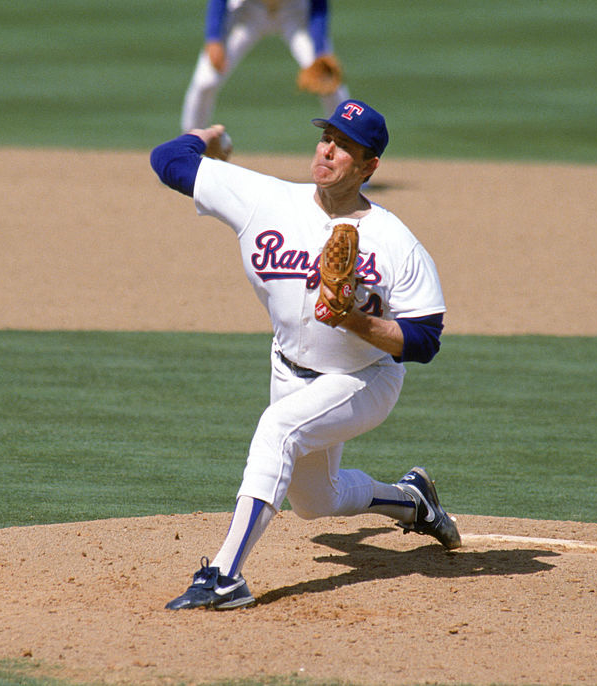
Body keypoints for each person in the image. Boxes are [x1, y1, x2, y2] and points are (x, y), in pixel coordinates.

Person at [150, 99, 461, 611]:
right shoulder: (265, 199)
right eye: (325, 139)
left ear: (369, 166)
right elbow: (169, 161)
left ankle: (225, 576)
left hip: (363, 379)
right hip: (289, 369)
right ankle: (412, 501)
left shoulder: (395, 241)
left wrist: (353, 320)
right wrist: (208, 138)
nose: (328, 151)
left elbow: (425, 340)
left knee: (278, 429)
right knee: (316, 502)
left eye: (344, 147)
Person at [181, 0, 350, 132]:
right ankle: (188, 151)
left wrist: (320, 50)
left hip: (294, 12)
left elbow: (318, 4)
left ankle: (353, 158)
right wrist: (214, 38)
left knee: (329, 83)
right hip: (248, 11)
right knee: (206, 81)